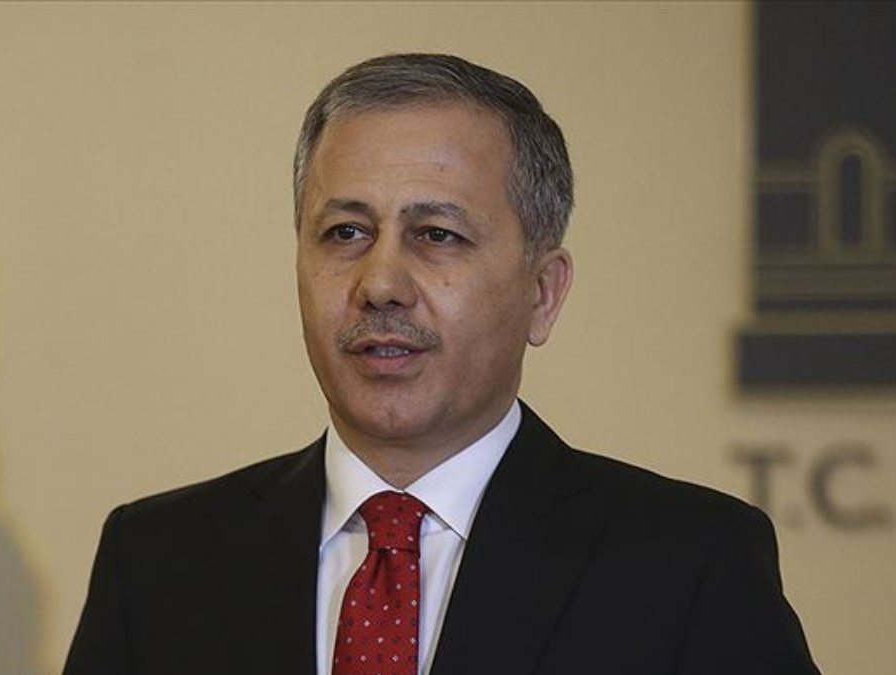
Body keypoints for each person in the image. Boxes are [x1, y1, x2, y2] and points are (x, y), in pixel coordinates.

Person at [63, 53, 820, 675]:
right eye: (346, 233)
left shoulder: (687, 563)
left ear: (543, 292)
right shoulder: (158, 560)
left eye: (437, 235)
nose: (381, 284)